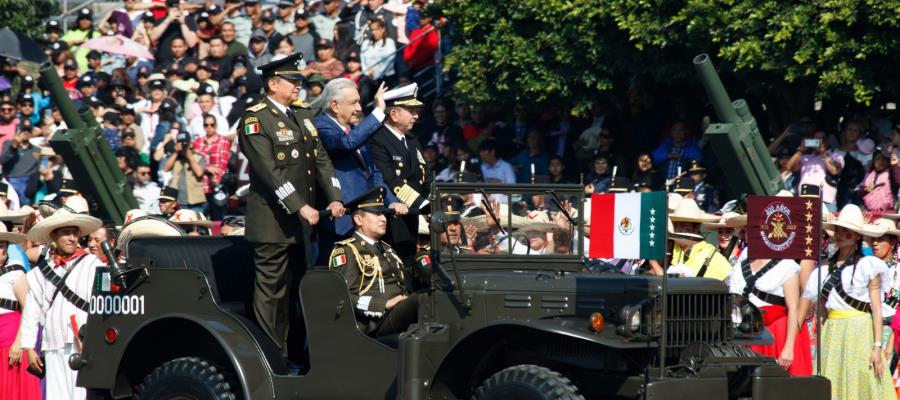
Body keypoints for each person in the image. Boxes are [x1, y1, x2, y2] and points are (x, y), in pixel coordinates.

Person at [237, 52, 344, 357]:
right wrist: (300, 206)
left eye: (299, 80)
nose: (298, 86)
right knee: (272, 295)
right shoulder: (255, 119)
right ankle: (271, 360)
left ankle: (295, 355)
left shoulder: (302, 114)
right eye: (292, 80)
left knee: (297, 290)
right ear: (273, 84)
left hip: (301, 223)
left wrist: (335, 196)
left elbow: (320, 160)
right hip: (273, 223)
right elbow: (268, 171)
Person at [798, 204, 894, 400]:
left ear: (857, 235)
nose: (841, 235)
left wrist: (877, 346)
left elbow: (876, 309)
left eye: (847, 232)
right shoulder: (824, 267)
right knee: (833, 380)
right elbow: (823, 307)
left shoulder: (868, 265)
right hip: (833, 330)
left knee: (859, 379)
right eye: (839, 231)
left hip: (859, 329)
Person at [19, 208, 105, 400]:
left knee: (82, 395)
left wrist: (94, 338)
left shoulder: (93, 264)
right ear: (53, 236)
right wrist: (29, 347)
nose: (72, 238)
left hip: (83, 343)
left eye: (75, 233)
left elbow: (104, 304)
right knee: (56, 396)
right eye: (66, 233)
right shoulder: (42, 271)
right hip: (53, 342)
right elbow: (32, 309)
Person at [315, 79, 400, 251]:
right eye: (353, 103)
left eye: (359, 102)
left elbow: (374, 174)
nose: (359, 108)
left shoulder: (356, 131)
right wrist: (378, 112)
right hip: (340, 223)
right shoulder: (321, 127)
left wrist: (391, 202)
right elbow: (346, 144)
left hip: (365, 222)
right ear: (335, 106)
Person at [328, 187, 417, 337]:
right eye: (377, 214)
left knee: (431, 297)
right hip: (373, 324)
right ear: (358, 219)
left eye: (383, 213)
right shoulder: (347, 250)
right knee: (421, 301)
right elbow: (342, 297)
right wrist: (383, 305)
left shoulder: (387, 249)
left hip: (398, 315)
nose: (383, 218)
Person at [369, 83, 431, 265]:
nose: (416, 116)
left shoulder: (412, 141)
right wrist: (424, 204)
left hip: (412, 216)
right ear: (394, 114)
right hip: (391, 218)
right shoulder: (377, 140)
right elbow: (390, 179)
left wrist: (435, 199)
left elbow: (425, 175)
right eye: (411, 111)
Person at [729, 253, 812, 376]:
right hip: (748, 331)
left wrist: (789, 347)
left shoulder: (786, 265)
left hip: (777, 332)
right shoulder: (740, 265)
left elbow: (793, 308)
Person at [0, 224, 40, 400]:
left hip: (10, 341)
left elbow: (27, 308)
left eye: (1, 245)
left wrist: (19, 343)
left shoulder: (15, 271)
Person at [667, 199, 732, 280]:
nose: (678, 229)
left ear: (696, 228)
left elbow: (730, 280)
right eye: (676, 225)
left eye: (684, 225)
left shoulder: (711, 254)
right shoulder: (678, 250)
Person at [163, 131, 207, 213]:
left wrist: (189, 155)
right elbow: (165, 168)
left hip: (195, 202)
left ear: (190, 143)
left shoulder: (198, 157)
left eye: (185, 143)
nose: (182, 145)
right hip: (179, 201)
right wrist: (176, 152)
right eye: (180, 143)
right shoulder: (175, 157)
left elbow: (199, 173)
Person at [360, 18, 397, 83]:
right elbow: (362, 59)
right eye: (372, 30)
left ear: (383, 29)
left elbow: (388, 61)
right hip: (369, 77)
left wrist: (376, 76)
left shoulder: (389, 42)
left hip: (385, 77)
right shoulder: (366, 43)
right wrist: (367, 74)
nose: (373, 32)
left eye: (376, 30)